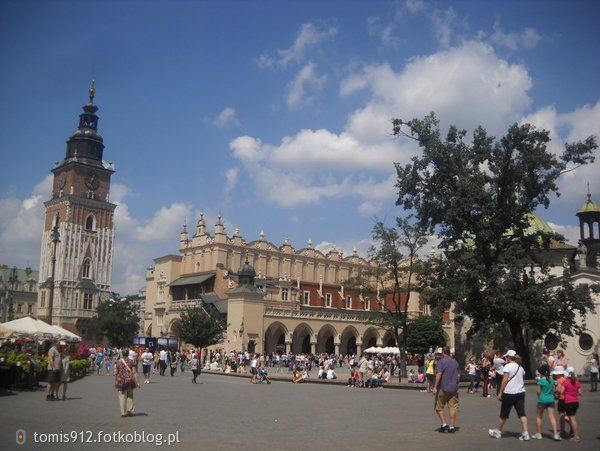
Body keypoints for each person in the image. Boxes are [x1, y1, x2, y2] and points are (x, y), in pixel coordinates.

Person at [488, 350, 530, 441]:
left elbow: (504, 380)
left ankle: (498, 432)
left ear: (509, 358)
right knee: (521, 413)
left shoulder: (507, 366)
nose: (505, 358)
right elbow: (523, 374)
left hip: (509, 393)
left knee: (504, 414)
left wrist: (500, 392)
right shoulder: (520, 367)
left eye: (506, 357)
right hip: (520, 392)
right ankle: (526, 433)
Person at [434, 346, 460, 433]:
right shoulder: (455, 362)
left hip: (443, 387)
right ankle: (452, 426)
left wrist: (435, 386)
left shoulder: (441, 361)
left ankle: (444, 424)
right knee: (453, 407)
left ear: (443, 353)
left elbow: (439, 374)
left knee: (439, 407)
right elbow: (458, 376)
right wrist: (457, 384)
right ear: (449, 352)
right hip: (453, 388)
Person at [534, 365, 560, 441]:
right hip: (551, 399)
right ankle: (555, 434)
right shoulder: (552, 380)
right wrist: (554, 393)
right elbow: (556, 386)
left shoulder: (540, 380)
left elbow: (538, 391)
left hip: (542, 399)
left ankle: (539, 434)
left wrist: (539, 397)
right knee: (552, 417)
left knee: (539, 417)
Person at [557, 367, 582, 442]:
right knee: (572, 418)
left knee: (572, 419)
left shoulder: (566, 382)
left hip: (568, 402)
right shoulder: (577, 382)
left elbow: (561, 391)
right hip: (576, 402)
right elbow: (580, 393)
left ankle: (576, 436)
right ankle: (574, 433)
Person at [114, 346, 140, 418]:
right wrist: (137, 382)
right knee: (130, 396)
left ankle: (123, 412)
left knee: (122, 396)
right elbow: (134, 372)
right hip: (129, 380)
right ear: (128, 354)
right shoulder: (132, 361)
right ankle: (129, 410)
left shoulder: (118, 362)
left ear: (122, 353)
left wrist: (116, 380)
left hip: (121, 381)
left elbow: (116, 372)